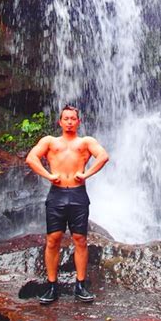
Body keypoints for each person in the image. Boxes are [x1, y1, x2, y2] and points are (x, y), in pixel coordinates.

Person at [25, 105, 109, 304]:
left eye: (73, 118)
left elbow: (103, 156)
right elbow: (31, 158)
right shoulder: (50, 141)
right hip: (57, 194)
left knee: (80, 239)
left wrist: (86, 174)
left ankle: (80, 285)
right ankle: (51, 285)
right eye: (66, 118)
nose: (70, 121)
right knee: (53, 239)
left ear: (78, 122)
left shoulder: (86, 142)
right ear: (60, 122)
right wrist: (48, 176)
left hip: (78, 194)